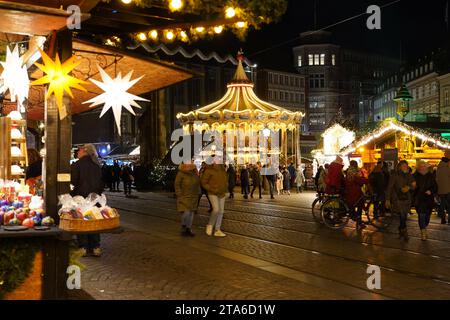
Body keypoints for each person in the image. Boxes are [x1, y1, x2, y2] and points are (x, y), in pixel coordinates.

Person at [71, 144, 104, 257]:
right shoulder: (97, 165)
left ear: (85, 151)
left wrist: (72, 195)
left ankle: (83, 247)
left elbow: (73, 183)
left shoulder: (76, 165)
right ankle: (95, 247)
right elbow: (101, 183)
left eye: (79, 150)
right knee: (93, 222)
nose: (77, 152)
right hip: (95, 199)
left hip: (80, 199)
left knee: (82, 222)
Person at [386, 160, 416, 241]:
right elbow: (389, 187)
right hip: (397, 198)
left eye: (406, 166)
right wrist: (387, 199)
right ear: (399, 167)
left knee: (404, 216)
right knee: (402, 215)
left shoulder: (409, 175)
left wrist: (409, 187)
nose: (405, 167)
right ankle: (404, 231)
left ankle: (401, 229)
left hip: (407, 199)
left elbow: (414, 186)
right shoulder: (395, 175)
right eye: (403, 166)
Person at [201, 158, 228, 237]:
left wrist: (226, 189)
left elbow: (225, 180)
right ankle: (210, 225)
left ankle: (217, 230)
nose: (218, 161)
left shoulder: (222, 170)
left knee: (221, 211)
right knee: (216, 209)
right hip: (212, 193)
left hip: (222, 193)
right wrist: (211, 189)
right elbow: (203, 182)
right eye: (216, 159)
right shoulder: (208, 170)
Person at [413, 161, 437, 240]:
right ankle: (423, 232)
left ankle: (424, 227)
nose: (423, 168)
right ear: (419, 167)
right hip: (419, 199)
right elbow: (411, 187)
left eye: (424, 166)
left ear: (427, 167)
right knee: (421, 215)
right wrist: (413, 187)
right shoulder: (414, 176)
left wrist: (431, 191)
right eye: (421, 166)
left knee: (427, 217)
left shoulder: (431, 176)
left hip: (428, 199)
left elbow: (435, 187)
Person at [175, 162, 201, 237]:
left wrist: (198, 192)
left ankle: (188, 228)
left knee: (191, 212)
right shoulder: (181, 173)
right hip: (184, 195)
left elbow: (198, 182)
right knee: (186, 212)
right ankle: (184, 225)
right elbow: (177, 184)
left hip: (194, 195)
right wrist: (179, 194)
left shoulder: (194, 172)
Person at [345, 160, 368, 228]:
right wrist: (366, 180)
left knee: (359, 206)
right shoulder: (353, 171)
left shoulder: (350, 170)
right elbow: (358, 179)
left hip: (354, 191)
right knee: (358, 206)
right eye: (356, 164)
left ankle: (359, 221)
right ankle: (358, 220)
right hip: (353, 192)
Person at [436, 150, 450, 224]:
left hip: (441, 188)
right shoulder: (448, 163)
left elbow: (437, 176)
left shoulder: (440, 163)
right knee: (448, 204)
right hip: (448, 188)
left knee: (442, 204)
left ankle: (443, 219)